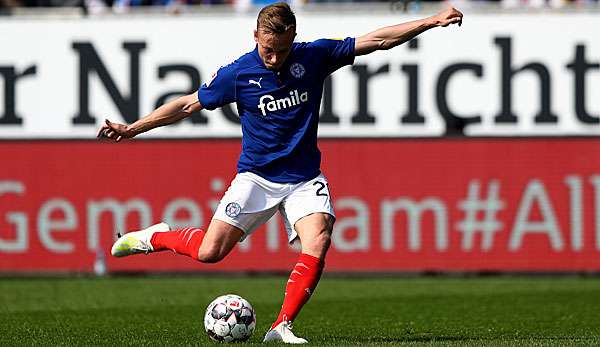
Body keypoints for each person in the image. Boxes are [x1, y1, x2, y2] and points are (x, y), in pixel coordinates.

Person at [99, 3, 462, 343]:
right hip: (256, 177)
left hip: (304, 178)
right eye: (268, 50)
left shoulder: (314, 56)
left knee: (318, 238)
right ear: (255, 36)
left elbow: (377, 41)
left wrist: (429, 20)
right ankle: (157, 237)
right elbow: (187, 104)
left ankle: (281, 326)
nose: (274, 59)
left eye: (282, 51)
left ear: (293, 38)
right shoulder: (239, 73)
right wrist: (134, 128)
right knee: (210, 252)